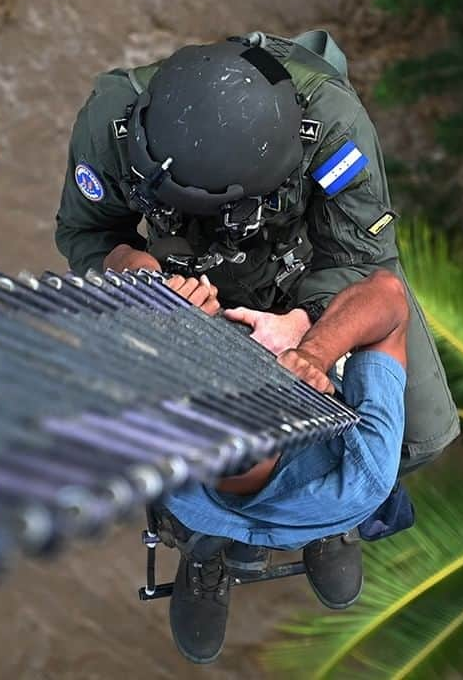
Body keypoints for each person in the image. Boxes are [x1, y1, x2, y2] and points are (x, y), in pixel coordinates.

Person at [53, 30, 459, 637]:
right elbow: (84, 234)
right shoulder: (112, 121)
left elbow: (366, 260)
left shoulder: (328, 123)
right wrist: (134, 273)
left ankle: (325, 523)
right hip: (181, 297)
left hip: (308, 281)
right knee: (181, 485)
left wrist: (308, 329)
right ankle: (203, 550)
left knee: (422, 435)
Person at [152, 267, 409, 663]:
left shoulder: (160, 466)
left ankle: (202, 553)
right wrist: (314, 353)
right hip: (333, 500)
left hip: (203, 514)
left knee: (191, 527)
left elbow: (116, 255)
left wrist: (152, 290)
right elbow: (389, 295)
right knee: (416, 446)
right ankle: (327, 530)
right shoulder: (363, 476)